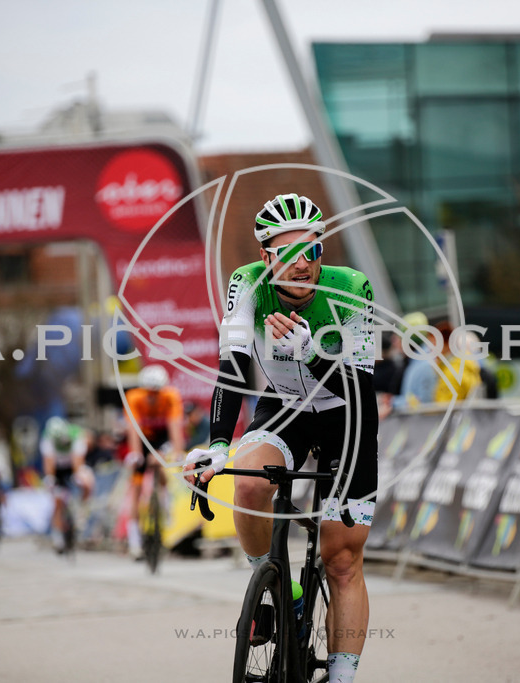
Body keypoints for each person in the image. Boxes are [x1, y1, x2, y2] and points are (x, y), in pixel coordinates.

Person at [184, 193, 378, 683]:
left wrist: (311, 354)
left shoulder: (353, 289)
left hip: (346, 419)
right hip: (286, 405)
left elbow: (364, 399)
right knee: (247, 485)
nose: (301, 264)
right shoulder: (246, 284)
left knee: (341, 561)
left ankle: (340, 677)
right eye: (287, 254)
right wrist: (218, 446)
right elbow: (232, 370)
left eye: (310, 251)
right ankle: (281, 592)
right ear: (267, 257)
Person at [124, 364, 185, 558]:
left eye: (156, 392)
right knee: (135, 487)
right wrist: (135, 453)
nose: (153, 396)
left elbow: (174, 426)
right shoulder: (134, 397)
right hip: (142, 438)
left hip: (162, 436)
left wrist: (177, 451)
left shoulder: (171, 396)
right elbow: (133, 428)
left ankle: (165, 503)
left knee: (160, 463)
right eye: (149, 392)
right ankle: (134, 542)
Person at [41, 417, 92, 553]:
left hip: (72, 465)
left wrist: (78, 476)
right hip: (57, 469)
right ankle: (57, 536)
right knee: (57, 501)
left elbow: (78, 460)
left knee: (86, 482)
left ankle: (82, 510)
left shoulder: (75, 434)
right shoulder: (47, 438)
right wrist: (50, 478)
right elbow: (49, 462)